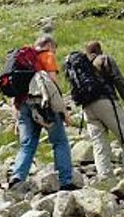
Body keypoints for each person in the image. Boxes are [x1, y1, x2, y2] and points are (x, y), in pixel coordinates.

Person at [8, 34, 77, 191]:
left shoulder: (22, 61)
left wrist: (15, 118)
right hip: (43, 104)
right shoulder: (47, 55)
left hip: (22, 105)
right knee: (59, 141)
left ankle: (17, 177)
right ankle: (65, 181)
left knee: (27, 145)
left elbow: (14, 93)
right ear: (49, 45)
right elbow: (52, 82)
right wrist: (63, 110)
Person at [83, 41, 124, 179]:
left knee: (99, 143)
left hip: (86, 108)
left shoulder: (81, 66)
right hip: (106, 102)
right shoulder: (104, 59)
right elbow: (119, 81)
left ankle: (104, 175)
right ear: (99, 50)